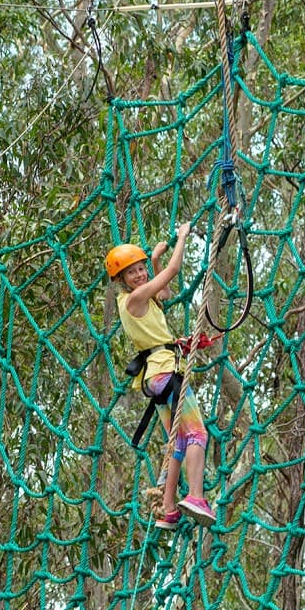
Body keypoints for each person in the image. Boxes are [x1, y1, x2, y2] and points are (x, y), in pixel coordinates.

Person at [106, 221, 217, 529]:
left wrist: (154, 260)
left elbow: (164, 290)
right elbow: (171, 274)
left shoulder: (135, 299)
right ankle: (195, 496)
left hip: (156, 378)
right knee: (197, 434)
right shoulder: (134, 298)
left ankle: (168, 508)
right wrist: (182, 237)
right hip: (166, 374)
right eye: (133, 272)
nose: (140, 274)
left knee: (178, 443)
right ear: (121, 280)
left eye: (142, 268)